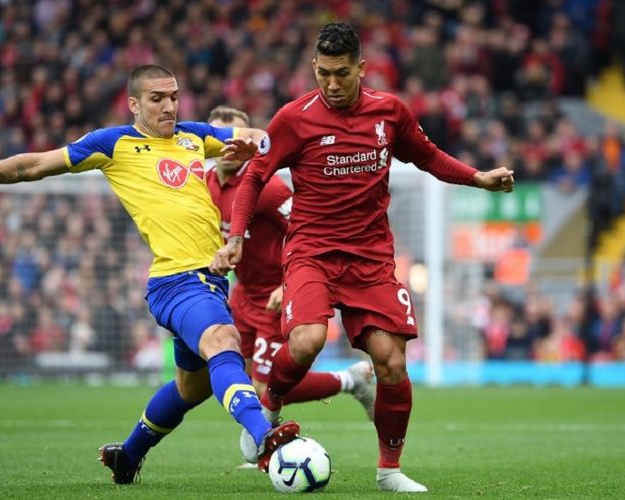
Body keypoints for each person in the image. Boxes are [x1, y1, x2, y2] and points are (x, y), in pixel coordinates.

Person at [0, 64, 301, 482]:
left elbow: (262, 137)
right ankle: (266, 436)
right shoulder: (114, 144)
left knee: (193, 388)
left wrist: (253, 147)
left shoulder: (194, 136)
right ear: (134, 104)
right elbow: (33, 166)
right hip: (177, 281)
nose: (169, 106)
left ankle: (128, 456)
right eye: (157, 99)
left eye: (173, 96)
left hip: (208, 282)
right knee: (224, 342)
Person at [210, 23, 515, 493]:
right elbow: (254, 176)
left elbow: (428, 156)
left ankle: (389, 470)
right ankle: (270, 402)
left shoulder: (389, 112)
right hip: (311, 250)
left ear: (361, 69)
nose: (332, 84)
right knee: (308, 340)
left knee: (391, 363)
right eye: (324, 73)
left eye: (343, 74)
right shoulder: (293, 119)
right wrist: (236, 238)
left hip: (370, 258)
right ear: (314, 67)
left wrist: (478, 178)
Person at [205, 106, 377, 467]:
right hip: (242, 296)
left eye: (233, 138)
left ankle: (349, 381)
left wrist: (289, 283)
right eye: (218, 137)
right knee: (248, 382)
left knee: (270, 387)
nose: (226, 146)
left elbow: (303, 231)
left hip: (276, 297)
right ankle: (268, 435)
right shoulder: (207, 184)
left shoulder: (265, 186)